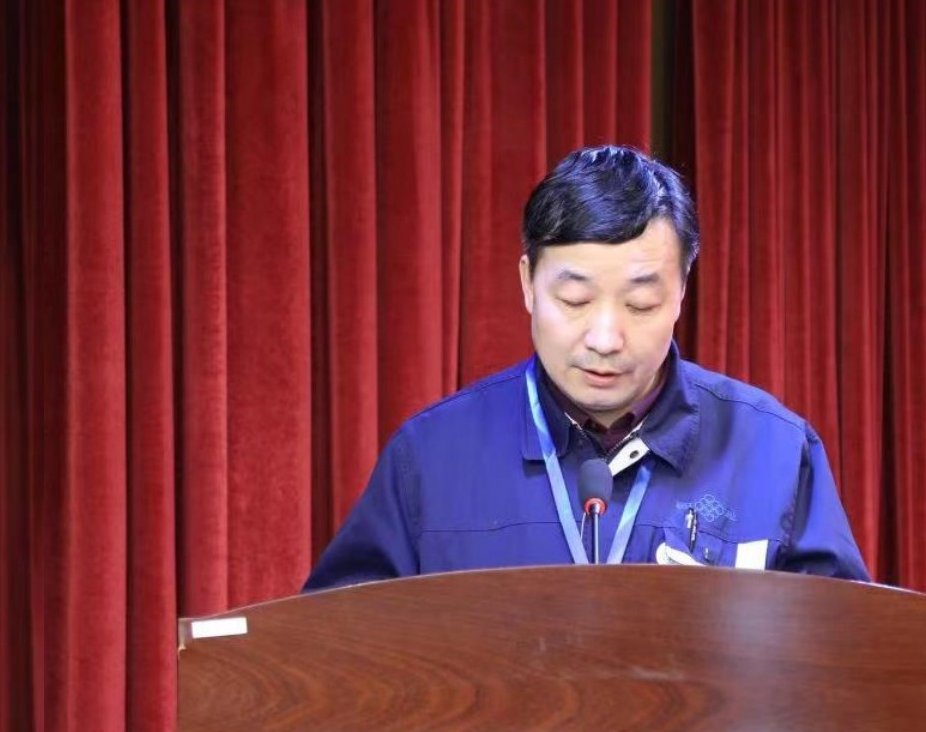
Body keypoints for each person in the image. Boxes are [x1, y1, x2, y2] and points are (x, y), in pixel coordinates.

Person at [306, 145, 867, 589]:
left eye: (640, 304)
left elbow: (843, 659)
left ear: (680, 293)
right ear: (528, 284)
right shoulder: (432, 457)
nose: (605, 339)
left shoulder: (772, 450)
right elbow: (337, 652)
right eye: (575, 300)